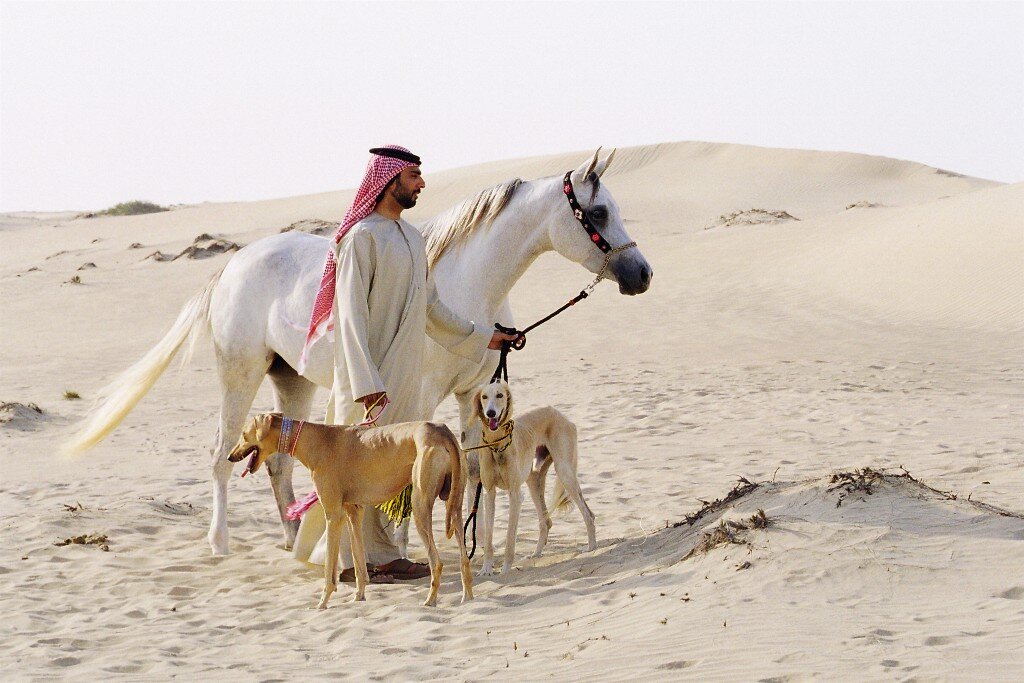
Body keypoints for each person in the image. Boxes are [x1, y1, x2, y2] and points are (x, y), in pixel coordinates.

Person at [292, 145, 517, 581]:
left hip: (408, 375)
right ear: (389, 180)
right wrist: (365, 381)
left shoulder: (413, 239)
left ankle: (388, 554)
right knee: (361, 468)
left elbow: (432, 309)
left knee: (398, 468)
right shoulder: (361, 238)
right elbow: (350, 315)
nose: (421, 183)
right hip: (371, 378)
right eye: (414, 175)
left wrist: (487, 336)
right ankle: (360, 561)